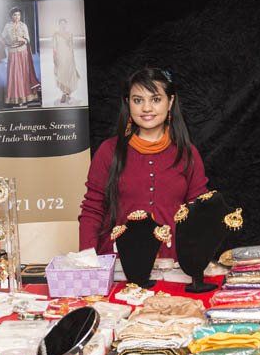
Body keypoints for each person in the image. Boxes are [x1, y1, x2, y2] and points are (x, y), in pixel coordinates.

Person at [78, 67, 208, 259]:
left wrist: (198, 260)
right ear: (128, 103)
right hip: (118, 266)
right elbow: (93, 210)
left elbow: (201, 212)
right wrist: (86, 261)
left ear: (170, 102)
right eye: (138, 100)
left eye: (155, 99)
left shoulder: (187, 153)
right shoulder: (109, 151)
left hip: (173, 265)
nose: (146, 108)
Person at [1, 8, 41, 106]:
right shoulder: (7, 26)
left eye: (18, 15)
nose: (17, 17)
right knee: (14, 74)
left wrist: (21, 39)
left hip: (22, 52)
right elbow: (2, 37)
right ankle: (15, 98)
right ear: (11, 16)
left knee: (23, 74)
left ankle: (24, 97)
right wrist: (7, 44)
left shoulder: (23, 25)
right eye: (15, 15)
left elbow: (28, 40)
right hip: (12, 52)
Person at [52, 18, 80, 105]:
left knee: (69, 75)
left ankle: (68, 95)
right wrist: (55, 58)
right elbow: (54, 47)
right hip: (60, 57)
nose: (63, 25)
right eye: (61, 23)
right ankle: (64, 93)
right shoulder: (56, 35)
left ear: (66, 24)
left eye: (64, 23)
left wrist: (73, 59)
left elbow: (71, 47)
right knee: (61, 75)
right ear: (59, 25)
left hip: (69, 58)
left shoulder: (70, 34)